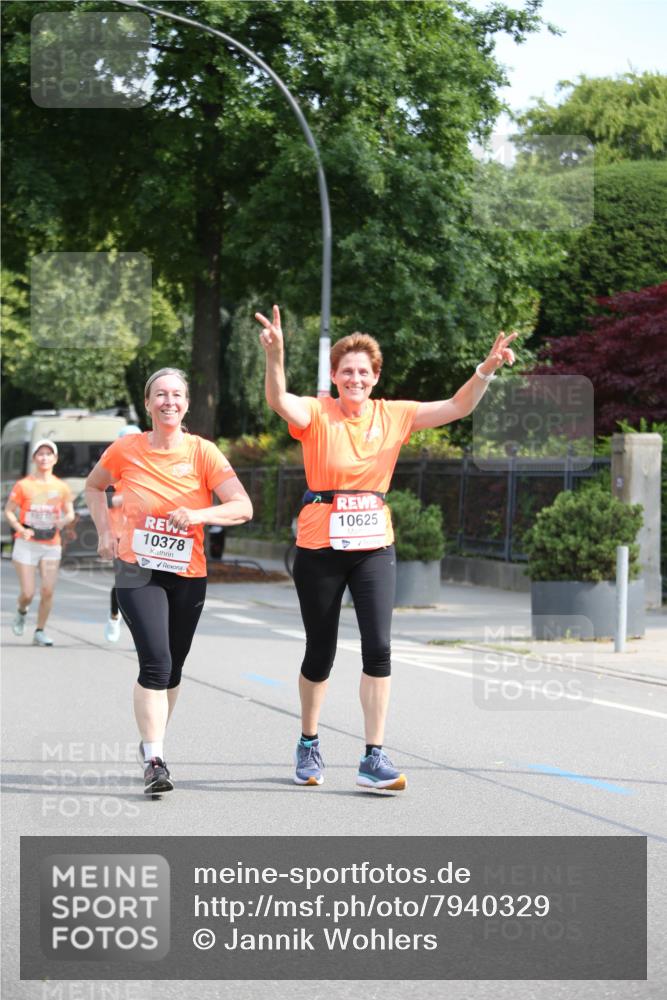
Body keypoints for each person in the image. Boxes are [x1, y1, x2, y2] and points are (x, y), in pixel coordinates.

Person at [255, 305, 517, 791]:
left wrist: (486, 369)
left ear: (375, 377)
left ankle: (373, 755)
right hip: (319, 544)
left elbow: (457, 406)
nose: (355, 378)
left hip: (374, 544)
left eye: (363, 372)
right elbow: (278, 399)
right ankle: (308, 742)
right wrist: (276, 356)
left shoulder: (393, 414)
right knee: (320, 650)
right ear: (334, 377)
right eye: (346, 371)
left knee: (378, 647)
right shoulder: (317, 412)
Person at [85, 368, 253, 795]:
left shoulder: (203, 453)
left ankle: (151, 743)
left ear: (187, 403)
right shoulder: (125, 449)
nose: (169, 401)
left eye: (177, 394)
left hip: (187, 573)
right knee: (156, 663)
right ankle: (155, 760)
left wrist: (199, 514)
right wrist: (104, 531)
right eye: (160, 394)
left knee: (173, 668)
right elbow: (94, 486)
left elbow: (242, 506)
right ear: (148, 404)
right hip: (136, 569)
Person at [5, 439, 75, 647]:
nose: (44, 458)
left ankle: (40, 631)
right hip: (26, 544)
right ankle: (21, 610)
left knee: (48, 590)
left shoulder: (61, 487)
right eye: (40, 454)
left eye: (48, 454)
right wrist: (20, 529)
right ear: (34, 458)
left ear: (55, 458)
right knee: (28, 593)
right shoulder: (24, 485)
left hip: (51, 544)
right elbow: (8, 511)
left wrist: (63, 521)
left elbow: (70, 513)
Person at [104, 424, 142, 643]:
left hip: (145, 535)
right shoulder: (112, 471)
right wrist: (127, 496)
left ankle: (144, 632)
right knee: (125, 580)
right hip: (119, 534)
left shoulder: (148, 470)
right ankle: (114, 616)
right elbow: (104, 499)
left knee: (146, 583)